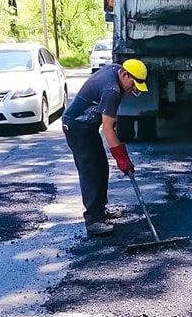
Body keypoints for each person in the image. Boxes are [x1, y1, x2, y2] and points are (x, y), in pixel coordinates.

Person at [62, 59, 148, 238]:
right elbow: (108, 128)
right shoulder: (112, 91)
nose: (134, 89)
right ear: (125, 75)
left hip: (87, 126)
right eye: (133, 84)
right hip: (77, 127)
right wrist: (122, 159)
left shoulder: (116, 71)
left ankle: (100, 211)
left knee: (101, 167)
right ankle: (93, 220)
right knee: (91, 171)